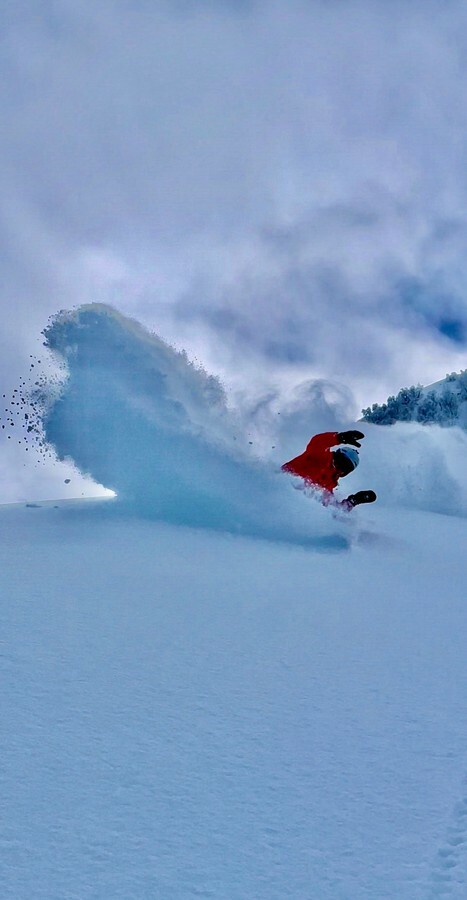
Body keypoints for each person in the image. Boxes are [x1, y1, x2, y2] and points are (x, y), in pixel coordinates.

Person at [282, 430, 376, 509]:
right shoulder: (319, 456)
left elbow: (332, 510)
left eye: (346, 467)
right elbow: (317, 442)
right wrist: (339, 438)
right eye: (341, 461)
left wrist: (354, 500)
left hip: (291, 505)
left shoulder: (329, 483)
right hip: (281, 486)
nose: (340, 468)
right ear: (336, 455)